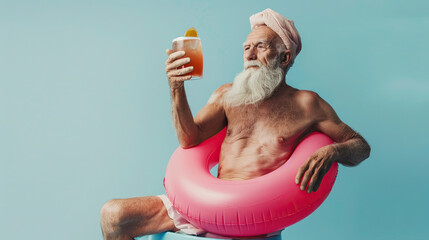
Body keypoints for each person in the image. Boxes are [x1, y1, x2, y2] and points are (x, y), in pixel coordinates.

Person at [100, 8, 371, 240]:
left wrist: (333, 151)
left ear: (285, 57)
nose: (250, 55)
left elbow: (360, 146)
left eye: (261, 47)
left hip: (254, 219)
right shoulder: (227, 95)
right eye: (246, 48)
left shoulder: (306, 104)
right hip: (204, 205)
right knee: (113, 216)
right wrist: (176, 88)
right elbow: (189, 139)